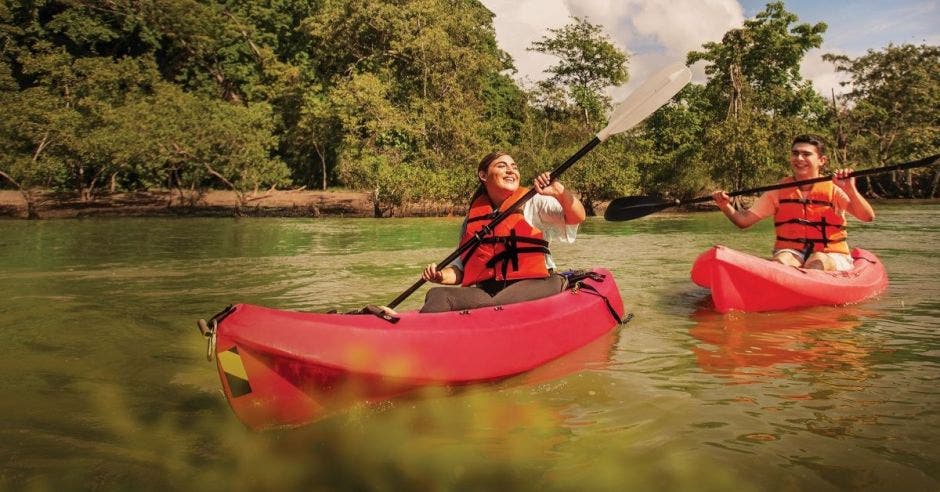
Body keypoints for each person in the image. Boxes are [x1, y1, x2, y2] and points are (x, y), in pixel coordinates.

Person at [418, 151, 586, 313]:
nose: (511, 170)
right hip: (490, 292)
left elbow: (577, 217)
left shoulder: (534, 202)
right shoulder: (472, 218)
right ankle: (415, 334)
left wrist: (560, 192)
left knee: (500, 303)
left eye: (514, 166)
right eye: (502, 166)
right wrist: (439, 275)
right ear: (483, 176)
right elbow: (459, 270)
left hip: (538, 283)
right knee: (438, 295)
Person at [711, 134, 875, 271]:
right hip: (792, 251)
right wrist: (725, 205)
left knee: (817, 261)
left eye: (806, 154)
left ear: (821, 160)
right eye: (795, 153)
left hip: (832, 254)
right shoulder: (778, 191)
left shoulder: (835, 189)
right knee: (783, 259)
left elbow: (867, 217)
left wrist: (850, 189)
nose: (799, 158)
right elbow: (743, 221)